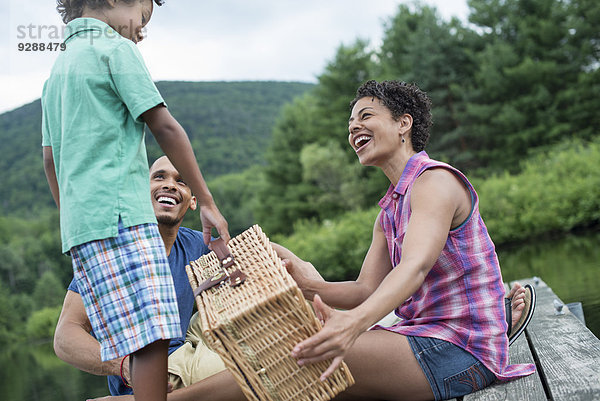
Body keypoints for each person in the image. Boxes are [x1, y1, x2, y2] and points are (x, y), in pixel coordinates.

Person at [91, 80, 536, 401]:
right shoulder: (389, 209)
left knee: (300, 357)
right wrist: (309, 281)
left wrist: (353, 324)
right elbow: (364, 288)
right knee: (305, 353)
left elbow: (414, 267)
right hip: (424, 341)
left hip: (459, 353)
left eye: (366, 116)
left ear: (404, 124)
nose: (353, 128)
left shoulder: (434, 182)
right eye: (350, 122)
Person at [42, 2, 229, 400]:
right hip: (123, 216)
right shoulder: (115, 49)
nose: (140, 31)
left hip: (83, 227)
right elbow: (164, 125)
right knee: (155, 337)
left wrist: (75, 220)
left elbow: (49, 160)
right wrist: (208, 199)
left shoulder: (57, 71)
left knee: (142, 337)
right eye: (142, 18)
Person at [54, 156, 227, 396]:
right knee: (250, 373)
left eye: (181, 181)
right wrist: (124, 366)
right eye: (159, 176)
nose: (169, 185)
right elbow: (65, 335)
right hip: (150, 370)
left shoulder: (196, 244)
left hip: (188, 350)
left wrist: (299, 266)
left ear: (193, 201)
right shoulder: (110, 252)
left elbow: (255, 249)